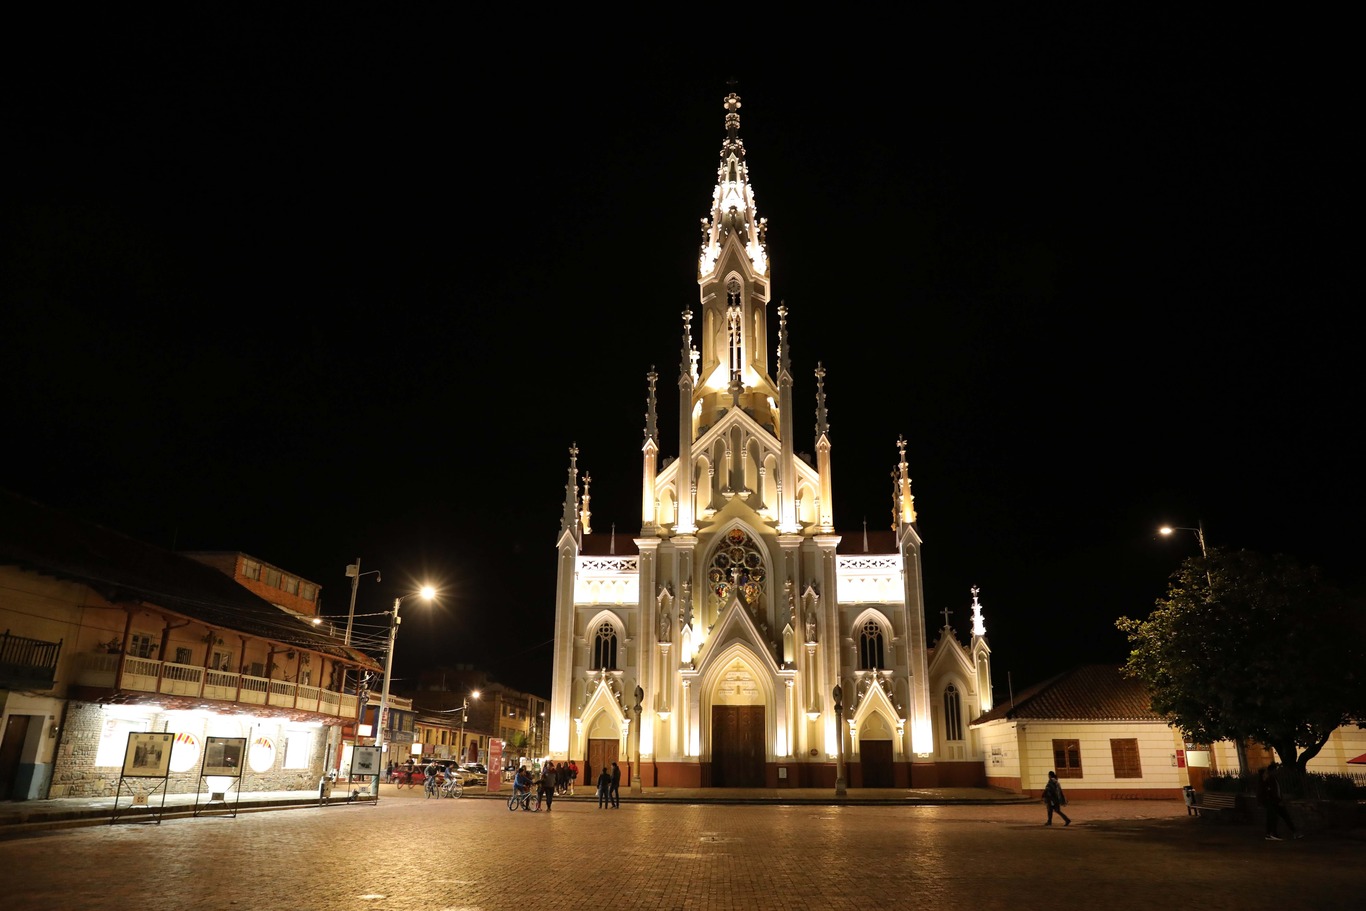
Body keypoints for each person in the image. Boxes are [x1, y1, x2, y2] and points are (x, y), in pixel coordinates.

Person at [1258, 764, 1300, 840]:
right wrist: (1277, 800)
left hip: (1275, 802)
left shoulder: (1272, 779)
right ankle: (1273, 833)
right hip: (1273, 802)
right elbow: (1269, 792)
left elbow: (1275, 791)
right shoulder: (1267, 781)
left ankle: (1271, 834)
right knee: (1274, 817)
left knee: (1280, 816)